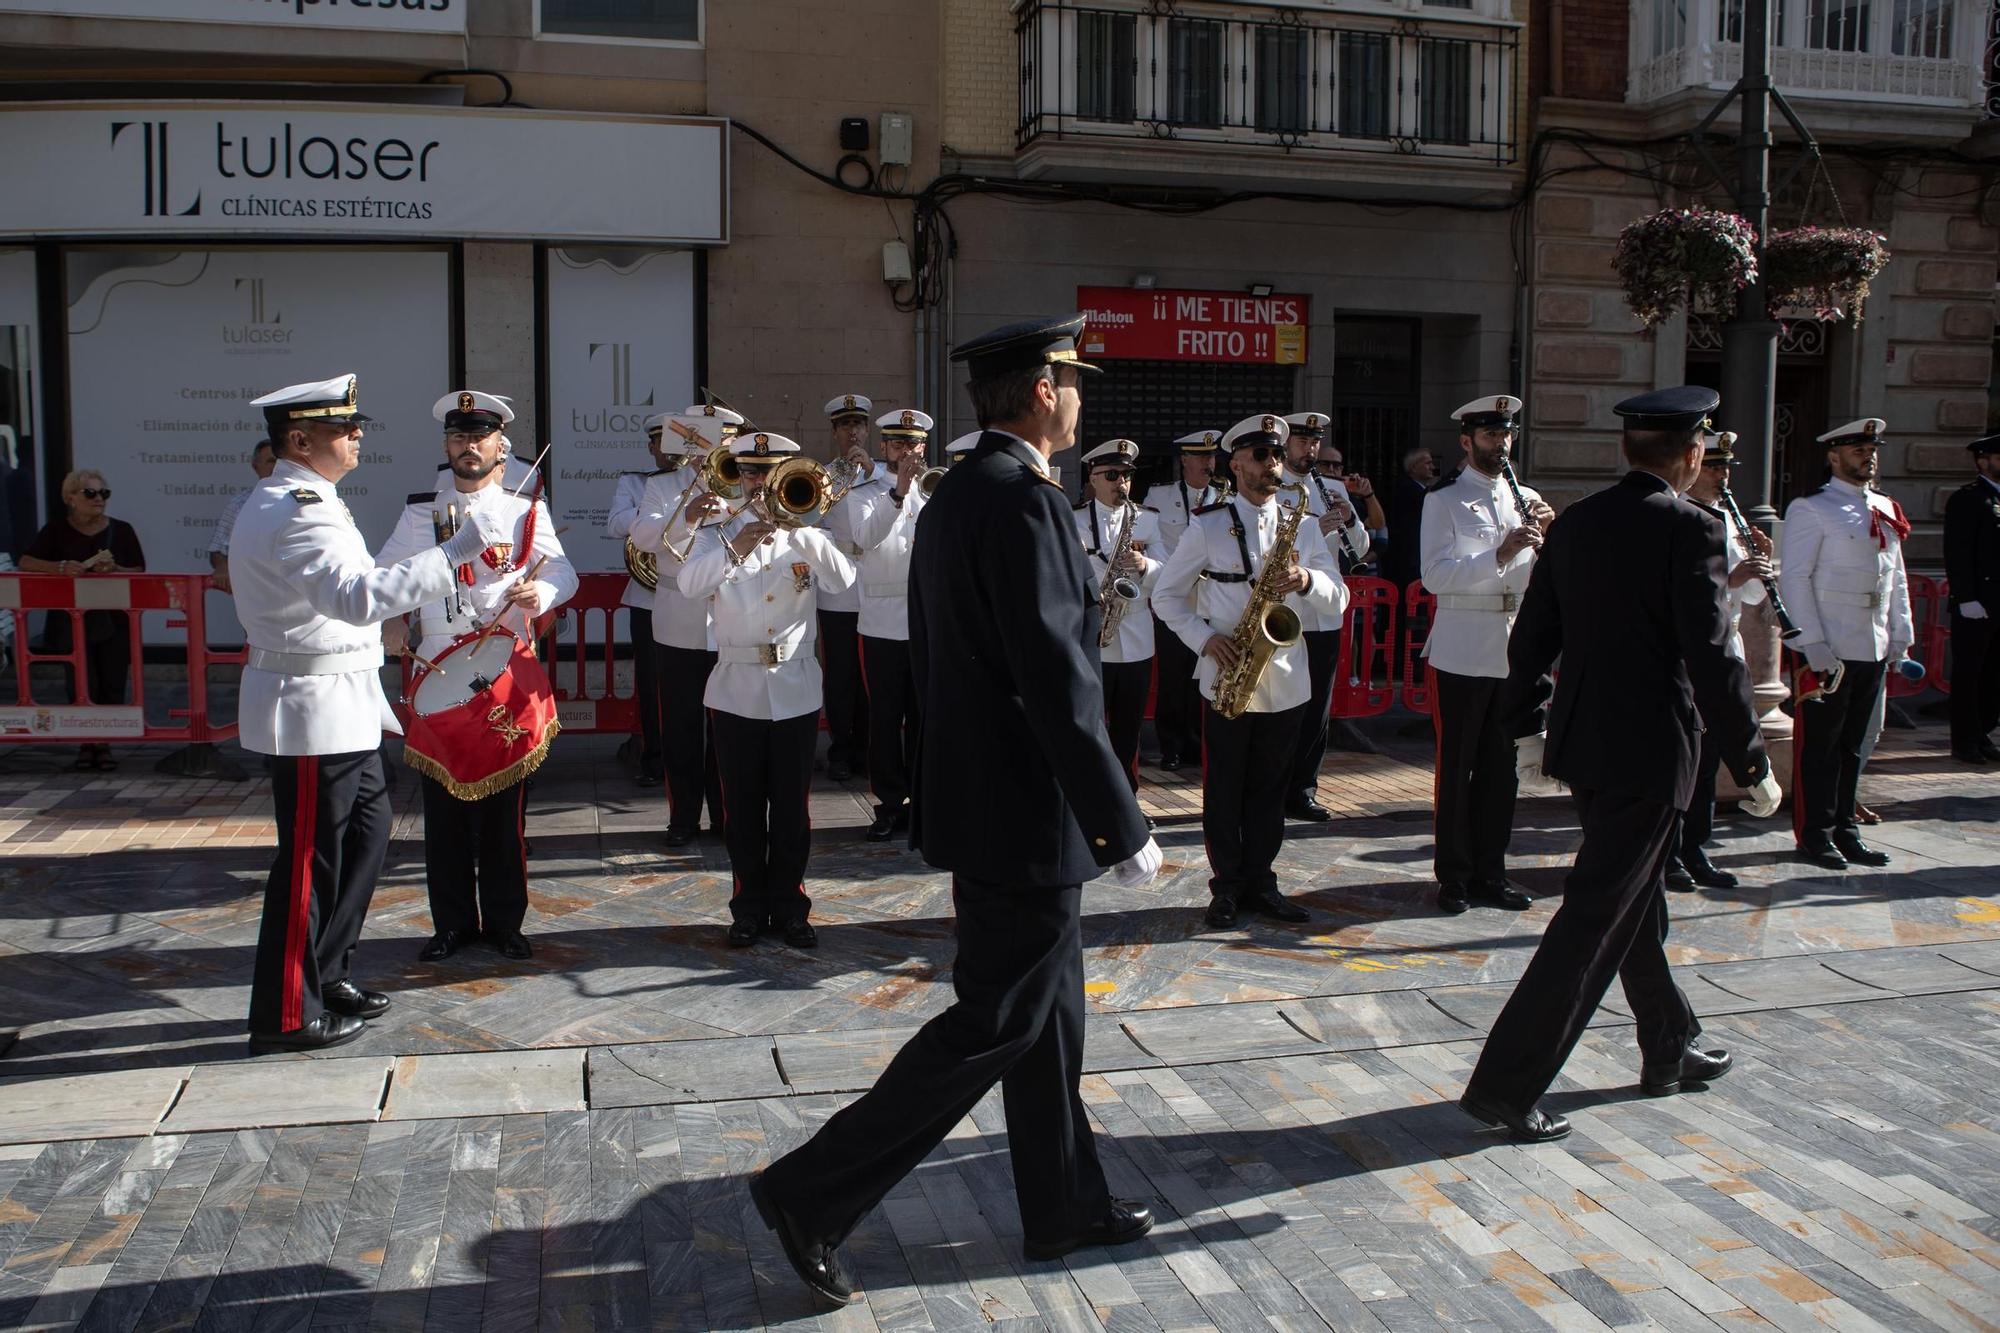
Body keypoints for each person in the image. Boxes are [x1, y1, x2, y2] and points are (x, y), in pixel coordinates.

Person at [750, 315, 1162, 1307]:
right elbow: (1057, 682)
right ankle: (810, 1191)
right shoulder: (1019, 504)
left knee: (1049, 1021)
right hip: (1024, 812)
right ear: (1037, 394)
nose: (1078, 396)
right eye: (1069, 381)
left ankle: (1063, 1203)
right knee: (996, 1020)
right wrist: (1123, 822)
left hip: (987, 801)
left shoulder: (957, 496)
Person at [1458, 386, 1780, 1142]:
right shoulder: (1690, 528)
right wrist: (1752, 758)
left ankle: (1670, 1041)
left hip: (1586, 745)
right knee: (1596, 912)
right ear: (1693, 453)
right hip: (1651, 749)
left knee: (1633, 899)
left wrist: (1525, 726)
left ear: (1628, 450)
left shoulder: (1577, 523)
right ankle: (1507, 1085)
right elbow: (1712, 653)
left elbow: (1534, 633)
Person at [231, 372, 507, 1053]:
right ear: (299, 439)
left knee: (366, 835)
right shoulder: (295, 506)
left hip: (344, 705)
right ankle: (287, 1011)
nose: (357, 434)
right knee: (309, 863)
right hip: (309, 712)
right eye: (343, 427)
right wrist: (456, 553)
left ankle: (328, 972)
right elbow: (355, 598)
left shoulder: (314, 499)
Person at [379, 390, 576, 964]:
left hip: (501, 672)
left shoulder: (522, 509)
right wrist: (394, 617)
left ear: (500, 446)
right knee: (442, 817)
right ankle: (452, 925)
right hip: (440, 671)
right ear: (447, 445)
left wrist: (540, 591)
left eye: (481, 436)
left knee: (502, 817)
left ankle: (506, 923)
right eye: (460, 436)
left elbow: (562, 569)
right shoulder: (421, 510)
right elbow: (384, 574)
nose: (470, 446)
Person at [1154, 414, 1345, 929]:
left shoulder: (1301, 525)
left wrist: (1305, 577)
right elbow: (1167, 595)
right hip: (1227, 675)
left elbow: (1339, 598)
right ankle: (1227, 885)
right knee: (1225, 789)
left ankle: (1263, 880)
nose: (1272, 466)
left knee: (1270, 787)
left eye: (1277, 456)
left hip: (1285, 678)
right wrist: (1205, 639)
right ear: (1235, 463)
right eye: (1261, 457)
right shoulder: (1208, 524)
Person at [678, 431, 856, 949]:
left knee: (793, 810)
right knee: (743, 808)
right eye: (751, 473)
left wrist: (802, 531)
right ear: (738, 477)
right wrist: (737, 544)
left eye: (769, 473)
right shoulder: (718, 532)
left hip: (796, 687)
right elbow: (690, 585)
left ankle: (792, 906)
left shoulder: (808, 533)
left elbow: (845, 583)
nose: (760, 484)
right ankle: (748, 908)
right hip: (736, 690)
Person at [1419, 396, 1552, 915]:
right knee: (1458, 768)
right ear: (1467, 441)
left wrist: (1548, 542)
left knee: (1504, 768)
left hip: (1513, 648)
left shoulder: (1527, 495)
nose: (1501, 444)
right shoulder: (1444, 499)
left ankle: (1492, 872)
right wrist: (1498, 553)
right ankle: (1454, 875)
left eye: (1507, 434)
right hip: (1462, 647)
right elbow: (1434, 576)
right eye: (1491, 435)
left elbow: (1540, 581)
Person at [1779, 418, 1913, 870]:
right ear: (1834, 456)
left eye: (1872, 449)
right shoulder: (1811, 508)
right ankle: (1815, 835)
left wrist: (1900, 633)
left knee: (1853, 745)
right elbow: (1795, 579)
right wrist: (1812, 644)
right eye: (1857, 449)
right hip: (1829, 646)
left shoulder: (1885, 506)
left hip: (1871, 645)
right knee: (1820, 746)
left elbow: (1895, 579)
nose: (1867, 456)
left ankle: (1845, 829)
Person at [1665, 430, 1771, 890]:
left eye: (1726, 467)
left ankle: (1696, 848)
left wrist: (1757, 566)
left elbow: (1748, 594)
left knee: (1709, 758)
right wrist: (1732, 579)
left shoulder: (1729, 516)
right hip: (1688, 651)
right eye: (1714, 466)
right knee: (1680, 756)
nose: (1722, 475)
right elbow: (1679, 592)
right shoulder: (1678, 517)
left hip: (1725, 646)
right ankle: (1668, 854)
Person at [630, 407, 739, 846]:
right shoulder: (660, 487)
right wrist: (689, 513)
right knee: (681, 726)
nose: (710, 449)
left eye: (721, 440)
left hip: (732, 622)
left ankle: (727, 815)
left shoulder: (741, 485)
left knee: (728, 728)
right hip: (678, 624)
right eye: (703, 441)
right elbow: (642, 537)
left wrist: (731, 505)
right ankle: (684, 818)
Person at [21, 467, 147, 770]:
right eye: (90, 493)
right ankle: (85, 742)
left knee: (112, 681)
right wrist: (60, 567)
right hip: (70, 620)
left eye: (104, 493)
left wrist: (115, 571)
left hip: (113, 619)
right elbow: (26, 561)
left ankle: (103, 744)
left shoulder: (122, 529)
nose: (98, 499)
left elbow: (140, 570)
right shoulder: (56, 530)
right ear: (71, 498)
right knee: (79, 682)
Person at [1278, 412, 1370, 822]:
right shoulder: (1271, 484)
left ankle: (1304, 788)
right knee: (1283, 703)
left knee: (1318, 707)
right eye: (1303, 440)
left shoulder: (1331, 487)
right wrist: (1318, 528)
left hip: (1324, 610)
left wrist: (1348, 520)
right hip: (1286, 611)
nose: (1310, 449)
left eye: (1315, 441)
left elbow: (1361, 547)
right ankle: (1275, 783)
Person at [848, 407, 934, 841]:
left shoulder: (936, 491)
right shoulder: (865, 493)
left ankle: (924, 799)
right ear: (883, 447)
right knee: (884, 718)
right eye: (898, 444)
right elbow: (865, 540)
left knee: (925, 717)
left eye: (914, 444)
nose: (907, 451)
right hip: (881, 623)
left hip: (926, 623)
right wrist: (898, 494)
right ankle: (888, 803)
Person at [1075, 438, 1162, 801]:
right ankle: (1092, 798)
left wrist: (1147, 566)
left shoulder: (1149, 521)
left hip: (1137, 633)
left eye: (1126, 475)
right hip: (1095, 634)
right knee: (1092, 725)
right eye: (1111, 475)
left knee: (1129, 729)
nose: (1121, 483)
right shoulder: (1073, 520)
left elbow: (1174, 575)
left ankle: (1126, 800)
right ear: (1093, 478)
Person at [607, 415, 683, 787]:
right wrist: (658, 513)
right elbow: (615, 524)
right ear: (651, 448)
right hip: (647, 597)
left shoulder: (698, 482)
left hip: (689, 593)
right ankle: (655, 757)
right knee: (652, 683)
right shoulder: (635, 483)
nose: (668, 452)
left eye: (675, 444)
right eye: (660, 444)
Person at [1145, 430, 1221, 772]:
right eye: (1201, 457)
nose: (1208, 463)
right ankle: (1171, 745)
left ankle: (1197, 742)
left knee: (1201, 675)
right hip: (1177, 599)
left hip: (1210, 600)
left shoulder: (1224, 497)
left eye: (1212, 457)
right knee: (1174, 676)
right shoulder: (1160, 496)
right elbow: (1153, 540)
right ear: (1185, 461)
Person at [818, 393, 878, 783]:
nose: (853, 432)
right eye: (845, 426)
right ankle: (841, 746)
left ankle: (869, 747)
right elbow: (810, 524)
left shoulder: (883, 474)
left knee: (872, 671)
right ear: (835, 432)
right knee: (840, 671)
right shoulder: (821, 476)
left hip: (875, 580)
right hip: (838, 584)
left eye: (858, 425)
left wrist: (873, 474)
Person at [1944, 432, 2000, 764]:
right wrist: (1965, 596)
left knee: (1994, 675)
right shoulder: (1968, 499)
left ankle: (1983, 733)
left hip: (1999, 603)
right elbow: (1958, 551)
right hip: (1976, 603)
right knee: (1970, 674)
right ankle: (1964, 740)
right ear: (1983, 461)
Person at [208, 437, 277, 594]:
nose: (276, 467)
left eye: (281, 462)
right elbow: (217, 550)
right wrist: (222, 567)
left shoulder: (305, 499)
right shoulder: (239, 504)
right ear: (255, 467)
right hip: (255, 593)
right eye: (270, 461)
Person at [1385, 444, 1438, 592]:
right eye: (1428, 463)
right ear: (1414, 467)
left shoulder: (1421, 490)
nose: (1432, 467)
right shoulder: (1408, 489)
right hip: (1408, 562)